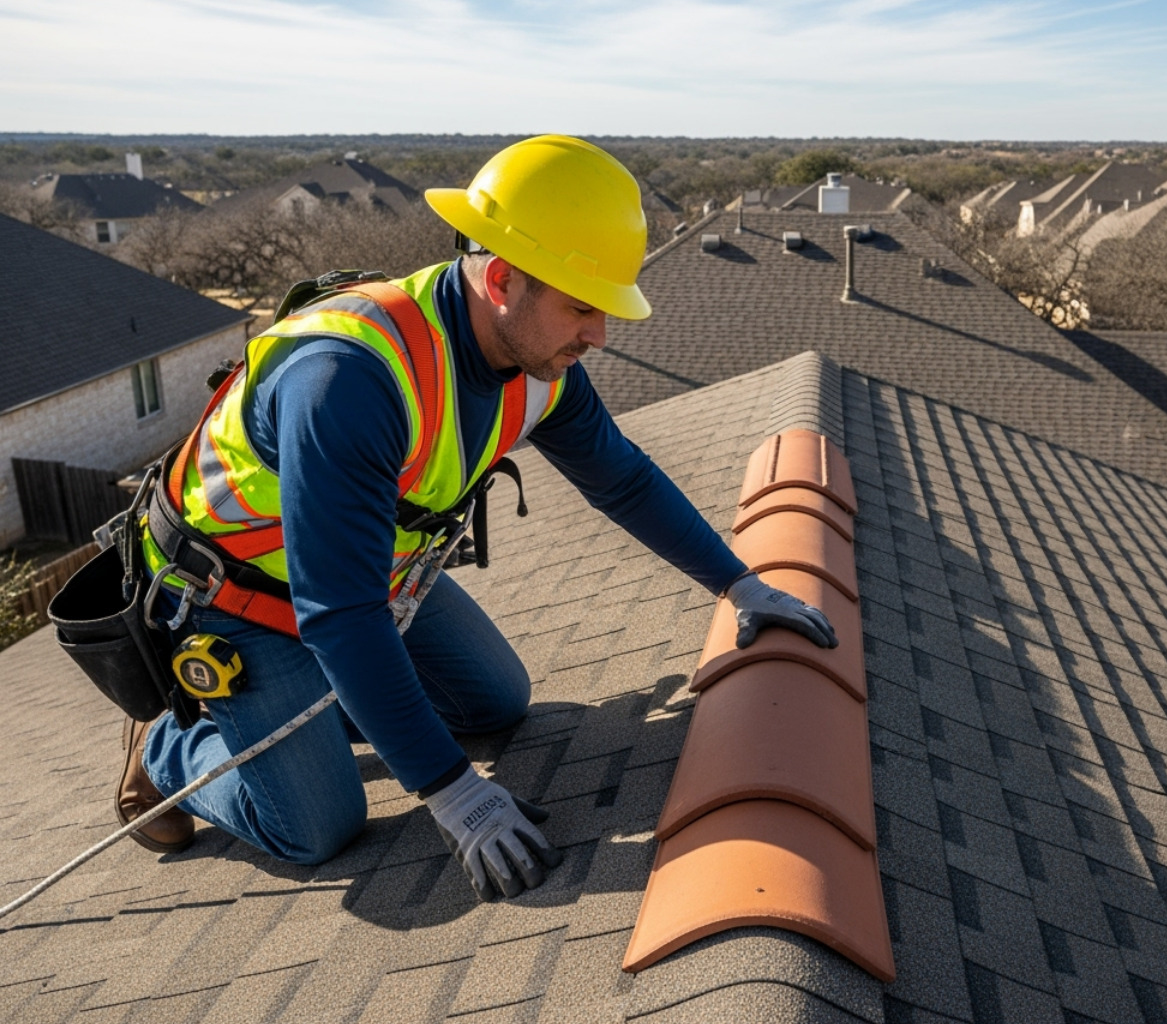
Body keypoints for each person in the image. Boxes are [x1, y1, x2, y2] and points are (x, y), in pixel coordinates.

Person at [117, 135, 836, 902]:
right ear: (501, 279)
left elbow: (621, 480)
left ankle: (297, 725)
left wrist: (737, 584)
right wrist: (453, 793)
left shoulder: (536, 362)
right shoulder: (348, 380)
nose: (599, 335)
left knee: (495, 704)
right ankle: (168, 746)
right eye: (582, 306)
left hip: (361, 583)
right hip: (239, 602)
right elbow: (341, 614)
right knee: (317, 827)